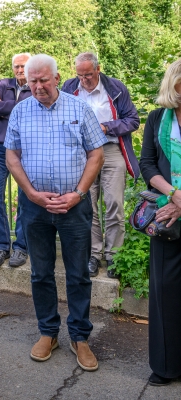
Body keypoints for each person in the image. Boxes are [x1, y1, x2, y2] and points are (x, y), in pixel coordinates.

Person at [5, 54, 107, 372]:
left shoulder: (79, 108)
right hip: (35, 209)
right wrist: (32, 194)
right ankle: (48, 333)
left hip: (74, 208)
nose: (37, 86)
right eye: (31, 81)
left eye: (43, 80)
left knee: (78, 274)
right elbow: (11, 157)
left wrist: (77, 194)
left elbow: (96, 154)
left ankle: (80, 337)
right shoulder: (20, 111)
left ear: (57, 78)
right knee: (40, 274)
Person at [62, 52, 140, 279]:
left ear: (98, 69)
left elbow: (133, 120)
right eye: (79, 75)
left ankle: (114, 255)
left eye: (88, 74)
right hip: (83, 153)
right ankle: (94, 255)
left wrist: (105, 127)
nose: (83, 80)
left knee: (114, 202)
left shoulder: (115, 88)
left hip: (111, 149)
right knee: (89, 206)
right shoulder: (70, 87)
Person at [139, 58, 181, 386]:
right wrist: (174, 195)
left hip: (176, 208)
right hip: (167, 215)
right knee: (165, 292)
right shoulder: (156, 118)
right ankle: (166, 366)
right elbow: (148, 164)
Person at [0, 52, 32, 267]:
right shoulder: (3, 84)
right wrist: (14, 107)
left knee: (25, 198)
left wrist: (4, 106)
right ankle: (1, 247)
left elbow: (33, 112)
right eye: (16, 66)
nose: (20, 70)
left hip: (26, 149)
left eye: (23, 66)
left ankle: (21, 247)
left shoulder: (36, 87)